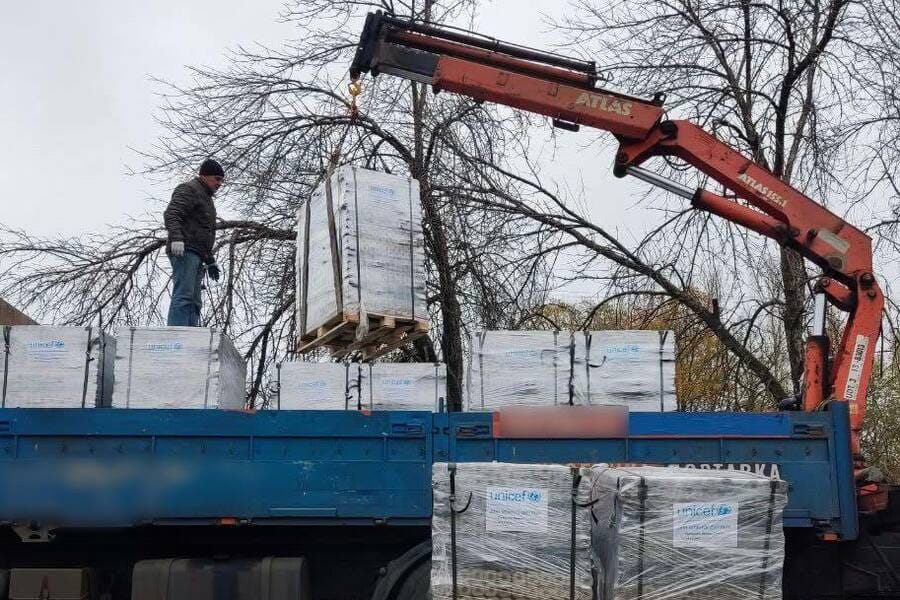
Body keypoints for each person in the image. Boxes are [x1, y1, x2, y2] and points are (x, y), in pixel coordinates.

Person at [163, 158, 225, 326]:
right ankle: (177, 338)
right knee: (184, 296)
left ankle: (190, 337)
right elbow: (172, 213)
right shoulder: (189, 189)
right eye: (217, 179)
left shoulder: (206, 197)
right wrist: (176, 238)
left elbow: (201, 233)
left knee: (195, 301)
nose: (220, 183)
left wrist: (210, 260)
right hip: (185, 251)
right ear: (204, 176)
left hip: (197, 254)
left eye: (222, 180)